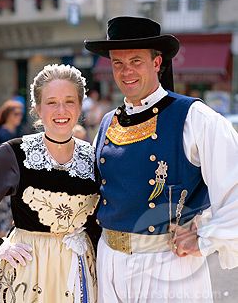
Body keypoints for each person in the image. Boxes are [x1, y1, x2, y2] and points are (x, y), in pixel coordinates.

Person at [84, 16, 238, 302]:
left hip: (168, 265)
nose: (126, 71)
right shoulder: (107, 123)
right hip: (109, 262)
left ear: (157, 63)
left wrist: (205, 237)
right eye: (118, 63)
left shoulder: (194, 117)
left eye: (136, 61)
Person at [0, 64, 100, 303]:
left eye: (69, 101)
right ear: (37, 108)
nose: (61, 110)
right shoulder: (16, 152)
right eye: (51, 102)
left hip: (80, 269)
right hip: (29, 268)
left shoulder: (95, 156)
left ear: (80, 106)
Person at [0, 100, 24, 237]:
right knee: (5, 214)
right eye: (16, 113)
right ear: (8, 115)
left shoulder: (13, 131)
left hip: (11, 178)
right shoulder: (3, 133)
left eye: (21, 114)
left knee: (7, 214)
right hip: (3, 179)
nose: (19, 116)